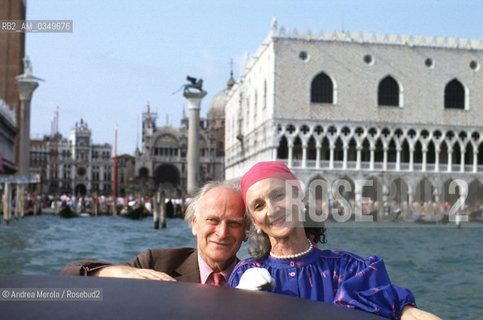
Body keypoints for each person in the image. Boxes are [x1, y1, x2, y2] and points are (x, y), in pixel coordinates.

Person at [228, 161, 441, 320]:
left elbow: (403, 310)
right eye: (258, 206)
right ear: (254, 221)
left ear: (300, 198)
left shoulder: (349, 269)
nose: (272, 209)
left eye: (278, 195)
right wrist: (241, 304)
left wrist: (407, 311)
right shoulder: (243, 275)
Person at [61, 181, 247, 286]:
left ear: (246, 231)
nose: (222, 232)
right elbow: (70, 274)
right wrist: (117, 272)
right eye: (212, 220)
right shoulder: (155, 264)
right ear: (194, 224)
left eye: (234, 223)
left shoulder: (257, 277)